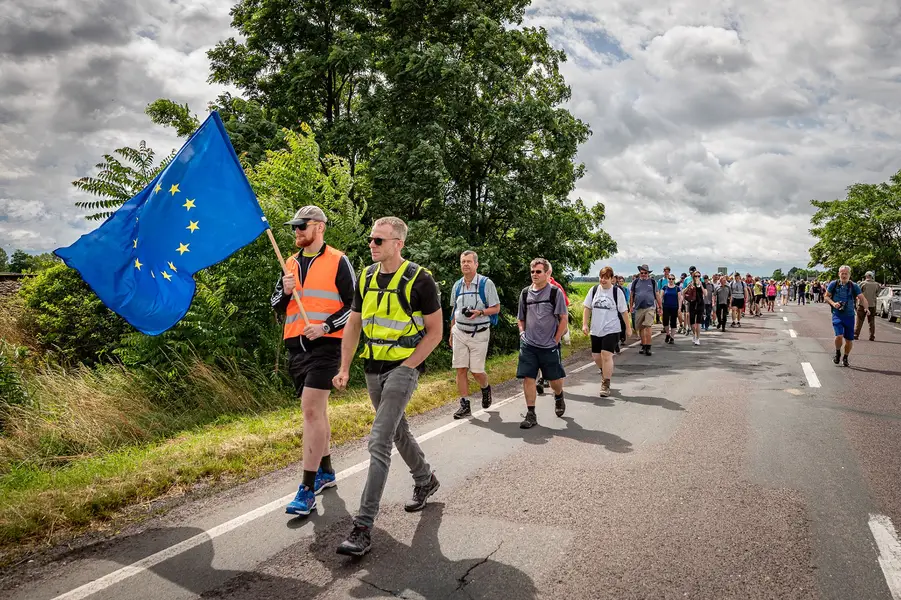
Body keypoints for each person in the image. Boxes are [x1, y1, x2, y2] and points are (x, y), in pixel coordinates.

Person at [333, 217, 443, 557]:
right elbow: (354, 325)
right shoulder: (365, 278)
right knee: (397, 431)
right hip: (372, 368)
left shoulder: (421, 280)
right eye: (371, 239)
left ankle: (362, 528)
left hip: (402, 368)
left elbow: (436, 332)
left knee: (379, 440)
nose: (372, 244)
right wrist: (344, 367)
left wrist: (410, 365)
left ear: (398, 243)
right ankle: (425, 478)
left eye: (379, 240)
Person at [273, 206, 356, 516]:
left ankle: (306, 489)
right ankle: (326, 471)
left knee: (309, 410)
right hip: (297, 348)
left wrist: (326, 326)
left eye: (301, 226)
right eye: (294, 227)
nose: (296, 231)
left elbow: (355, 306)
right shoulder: (289, 263)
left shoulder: (338, 260)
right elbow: (276, 305)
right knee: (317, 412)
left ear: (319, 227)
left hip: (327, 346)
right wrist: (284, 291)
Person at [517, 258, 569, 429]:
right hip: (529, 345)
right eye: (532, 271)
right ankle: (531, 413)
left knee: (554, 380)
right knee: (528, 377)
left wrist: (556, 339)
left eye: (538, 271)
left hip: (549, 346)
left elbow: (563, 318)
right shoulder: (525, 293)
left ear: (547, 273)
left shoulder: (555, 292)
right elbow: (521, 318)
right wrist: (522, 333)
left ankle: (559, 395)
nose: (534, 274)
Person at [449, 251, 501, 419]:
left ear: (476, 264)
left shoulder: (486, 284)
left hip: (479, 333)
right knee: (460, 369)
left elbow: (496, 308)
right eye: (463, 261)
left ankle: (485, 387)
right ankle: (465, 404)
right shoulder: (457, 285)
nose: (465, 264)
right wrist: (451, 331)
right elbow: (454, 311)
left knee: (477, 371)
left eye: (469, 261)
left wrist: (480, 312)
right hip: (459, 331)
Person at [582, 266, 633, 397]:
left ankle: (606, 383)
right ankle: (604, 371)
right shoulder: (594, 290)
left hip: (612, 329)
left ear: (612, 279)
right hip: (596, 329)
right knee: (596, 356)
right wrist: (584, 324)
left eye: (606, 278)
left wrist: (628, 327)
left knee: (606, 355)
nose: (603, 280)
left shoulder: (616, 292)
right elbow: (587, 308)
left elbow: (624, 311)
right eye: (601, 277)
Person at [825, 266, 869, 367]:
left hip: (849, 316)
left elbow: (862, 298)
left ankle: (845, 357)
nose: (844, 275)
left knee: (849, 340)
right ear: (839, 274)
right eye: (842, 273)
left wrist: (866, 308)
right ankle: (837, 353)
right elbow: (826, 296)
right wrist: (833, 303)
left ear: (849, 275)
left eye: (846, 273)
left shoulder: (854, 286)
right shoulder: (833, 284)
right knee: (839, 336)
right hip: (837, 314)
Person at [630, 265, 660, 355]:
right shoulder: (635, 282)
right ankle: (643, 345)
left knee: (648, 325)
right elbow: (632, 295)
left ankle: (648, 346)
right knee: (641, 327)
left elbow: (657, 294)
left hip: (649, 307)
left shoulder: (652, 282)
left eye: (645, 273)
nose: (643, 274)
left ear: (648, 273)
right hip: (638, 307)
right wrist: (630, 306)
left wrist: (660, 306)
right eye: (642, 273)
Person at [854, 271, 879, 342]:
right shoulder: (876, 284)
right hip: (872, 305)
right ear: (872, 276)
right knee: (871, 321)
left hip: (862, 304)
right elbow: (877, 294)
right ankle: (872, 336)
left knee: (859, 320)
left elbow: (858, 293)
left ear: (866, 276)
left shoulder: (863, 283)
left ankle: (856, 335)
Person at [683, 271, 707, 345]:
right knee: (692, 323)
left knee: (698, 322)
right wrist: (688, 287)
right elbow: (683, 292)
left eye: (699, 276)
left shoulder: (702, 283)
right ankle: (694, 334)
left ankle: (698, 338)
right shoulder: (691, 283)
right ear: (693, 277)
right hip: (692, 304)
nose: (697, 278)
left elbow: (705, 293)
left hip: (700, 304)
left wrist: (701, 286)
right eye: (695, 276)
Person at [658, 272, 681, 344]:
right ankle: (668, 334)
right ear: (668, 279)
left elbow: (679, 299)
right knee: (665, 321)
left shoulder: (677, 288)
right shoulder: (665, 287)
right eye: (670, 279)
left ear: (674, 280)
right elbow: (661, 297)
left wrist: (679, 307)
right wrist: (660, 307)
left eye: (672, 279)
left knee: (673, 322)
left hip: (674, 307)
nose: (671, 280)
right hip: (666, 307)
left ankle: (672, 337)